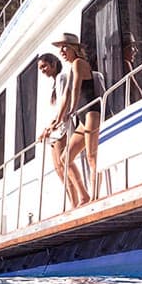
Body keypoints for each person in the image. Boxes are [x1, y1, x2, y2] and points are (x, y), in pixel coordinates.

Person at [53, 32, 101, 204]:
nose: (62, 52)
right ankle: (84, 195)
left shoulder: (79, 63)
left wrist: (71, 110)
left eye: (64, 48)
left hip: (91, 112)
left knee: (91, 156)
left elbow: (75, 89)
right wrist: (58, 120)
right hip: (82, 116)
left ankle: (95, 196)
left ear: (74, 48)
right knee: (65, 158)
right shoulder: (72, 66)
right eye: (60, 49)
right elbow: (66, 94)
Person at [37, 52, 77, 209]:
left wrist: (54, 124)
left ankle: (75, 201)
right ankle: (71, 201)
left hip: (60, 128)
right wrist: (47, 128)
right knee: (58, 169)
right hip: (54, 130)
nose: (43, 70)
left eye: (44, 66)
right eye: (41, 68)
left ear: (53, 64)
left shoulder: (62, 78)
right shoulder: (55, 82)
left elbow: (63, 103)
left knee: (63, 166)